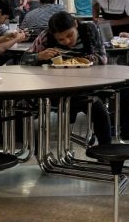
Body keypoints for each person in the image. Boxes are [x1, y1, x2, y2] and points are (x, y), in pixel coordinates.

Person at [20, 11, 117, 147]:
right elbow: (23, 60)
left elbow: (102, 58)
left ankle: (105, 150)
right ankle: (38, 147)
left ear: (75, 24)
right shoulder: (46, 36)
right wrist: (39, 56)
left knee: (99, 110)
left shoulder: (89, 30)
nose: (66, 41)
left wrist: (84, 60)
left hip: (85, 87)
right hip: (55, 89)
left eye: (70, 35)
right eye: (60, 39)